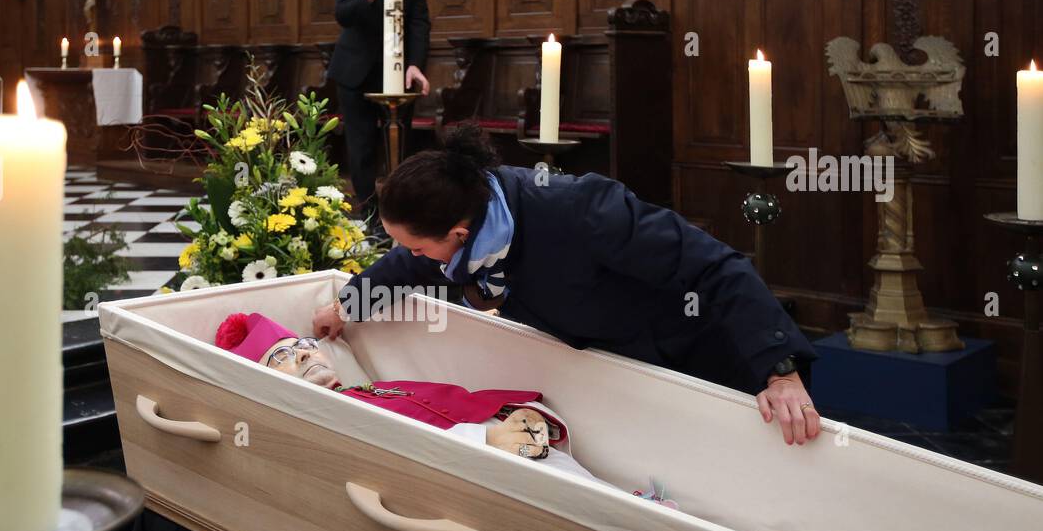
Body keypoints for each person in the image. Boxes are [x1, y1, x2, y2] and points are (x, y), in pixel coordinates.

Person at [313, 123, 823, 447]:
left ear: (459, 234)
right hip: (610, 371)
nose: (414, 256)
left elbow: (716, 267)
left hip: (697, 357)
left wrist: (779, 370)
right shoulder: (466, 217)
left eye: (421, 246)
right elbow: (408, 265)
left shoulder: (581, 209)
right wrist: (349, 305)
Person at [214, 311, 679, 503]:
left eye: (303, 347)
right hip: (476, 467)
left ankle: (637, 508)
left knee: (566, 473)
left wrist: (514, 416)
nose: (304, 355)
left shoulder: (376, 388)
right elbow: (407, 452)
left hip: (506, 444)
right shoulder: (335, 418)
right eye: (282, 357)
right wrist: (488, 439)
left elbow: (448, 401)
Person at [328, 0, 431, 219]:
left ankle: (400, 213)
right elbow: (343, 15)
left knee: (399, 146)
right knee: (361, 147)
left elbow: (419, 23)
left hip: (397, 71)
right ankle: (370, 215)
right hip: (355, 71)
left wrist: (415, 65)